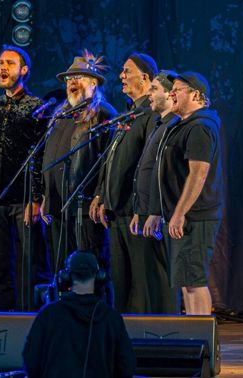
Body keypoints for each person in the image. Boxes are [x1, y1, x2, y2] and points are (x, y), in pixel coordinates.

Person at [0, 45, 49, 310]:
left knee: (29, 264)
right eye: (1, 63)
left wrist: (37, 197)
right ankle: (3, 318)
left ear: (23, 70)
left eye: (10, 64)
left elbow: (40, 156)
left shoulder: (36, 107)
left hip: (23, 198)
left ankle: (30, 317)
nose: (3, 68)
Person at [90, 53, 161, 313]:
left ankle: (143, 336)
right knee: (120, 280)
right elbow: (109, 160)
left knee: (139, 281)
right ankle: (121, 333)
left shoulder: (150, 115)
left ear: (144, 77)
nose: (121, 76)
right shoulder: (126, 116)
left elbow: (148, 165)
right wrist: (100, 195)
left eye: (126, 71)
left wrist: (142, 209)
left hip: (135, 212)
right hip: (116, 211)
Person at [41, 51, 116, 274]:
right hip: (57, 207)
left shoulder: (102, 114)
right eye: (69, 79)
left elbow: (108, 160)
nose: (72, 82)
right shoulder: (61, 114)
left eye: (79, 77)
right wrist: (46, 194)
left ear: (93, 83)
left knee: (88, 268)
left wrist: (100, 195)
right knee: (61, 268)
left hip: (84, 208)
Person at [158, 72, 223, 315]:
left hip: (195, 216)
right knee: (187, 282)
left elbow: (199, 174)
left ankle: (203, 342)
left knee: (194, 282)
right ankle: (196, 339)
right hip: (184, 216)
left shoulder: (200, 127)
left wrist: (180, 212)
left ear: (195, 94)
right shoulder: (185, 125)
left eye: (177, 89)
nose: (171, 93)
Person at [22, 251, 135, 378]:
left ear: (66, 278)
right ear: (99, 277)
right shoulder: (111, 318)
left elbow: (31, 363)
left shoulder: (48, 314)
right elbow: (126, 368)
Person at [135, 70, 179, 313]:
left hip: (160, 214)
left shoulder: (173, 125)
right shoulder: (159, 124)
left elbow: (164, 174)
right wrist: (139, 210)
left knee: (163, 277)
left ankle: (169, 330)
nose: (148, 93)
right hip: (147, 212)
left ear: (169, 93)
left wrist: (155, 211)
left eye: (153, 89)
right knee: (151, 277)